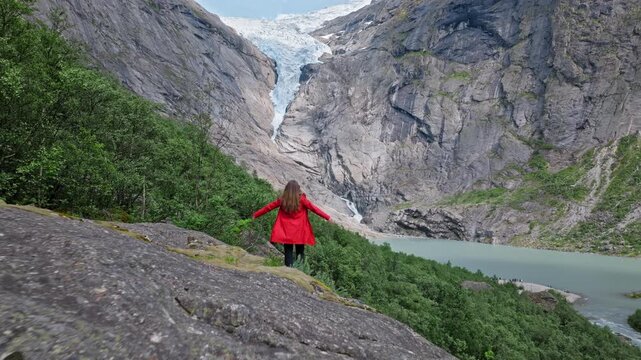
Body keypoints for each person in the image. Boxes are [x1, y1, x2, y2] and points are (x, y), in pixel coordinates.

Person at [253, 180, 331, 267]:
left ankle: (288, 270)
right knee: (300, 252)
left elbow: (268, 208)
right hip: (299, 231)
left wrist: (255, 215)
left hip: (286, 231)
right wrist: (327, 217)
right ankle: (300, 270)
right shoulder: (302, 200)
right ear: (298, 189)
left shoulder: (283, 200)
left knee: (288, 251)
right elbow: (315, 209)